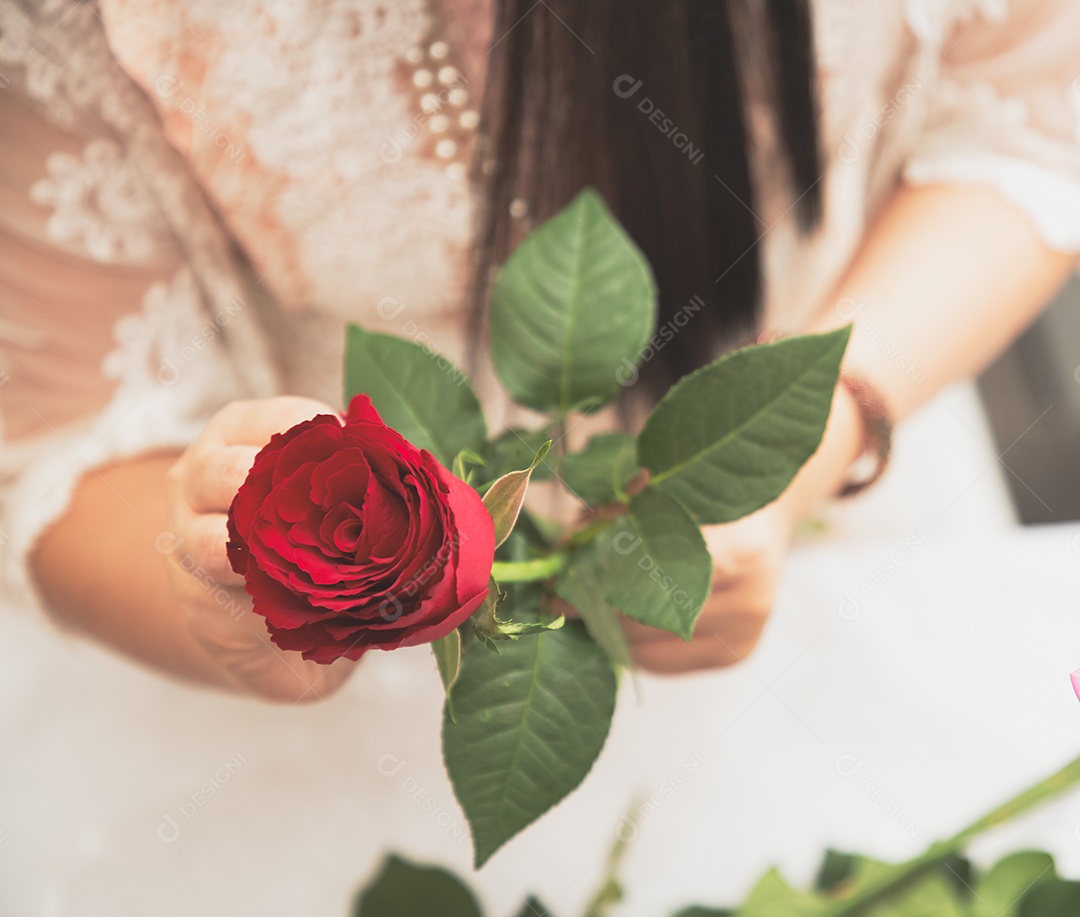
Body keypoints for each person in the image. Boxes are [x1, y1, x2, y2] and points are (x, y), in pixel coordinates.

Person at [1, 1, 1079, 914]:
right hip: (331, 698)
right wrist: (209, 599)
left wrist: (806, 441)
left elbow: (1029, 115)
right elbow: (59, 430)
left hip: (835, 497)